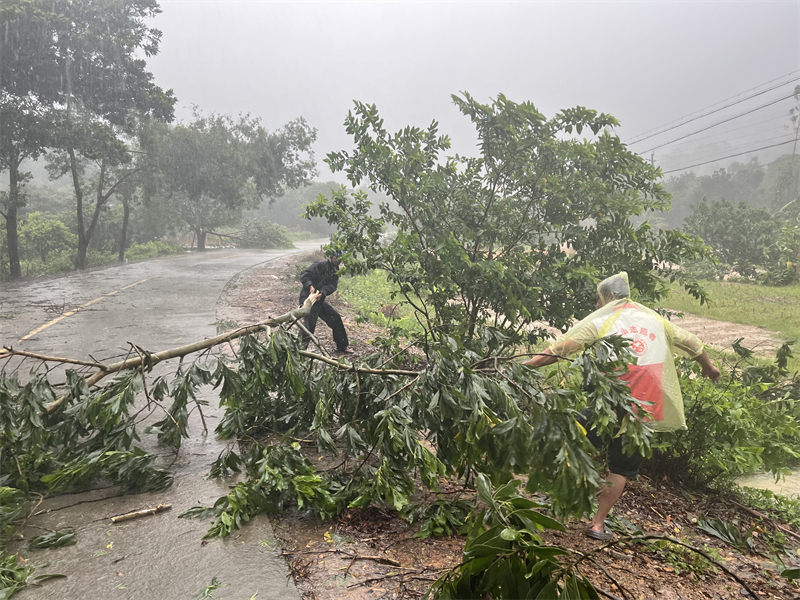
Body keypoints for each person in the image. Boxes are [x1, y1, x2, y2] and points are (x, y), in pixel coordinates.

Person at [523, 272, 720, 540]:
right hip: (646, 409)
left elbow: (562, 348)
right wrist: (709, 368)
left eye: (598, 299)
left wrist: (527, 365)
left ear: (609, 296)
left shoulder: (602, 321)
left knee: (572, 444)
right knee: (620, 469)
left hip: (610, 404)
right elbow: (692, 344)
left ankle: (555, 499)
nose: (596, 306)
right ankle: (597, 525)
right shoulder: (656, 320)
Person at [298, 250, 352, 354]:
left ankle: (342, 346)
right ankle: (299, 350)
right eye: (337, 258)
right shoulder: (319, 265)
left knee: (335, 318)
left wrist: (322, 293)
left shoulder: (336, 271)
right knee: (310, 325)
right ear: (331, 256)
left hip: (319, 300)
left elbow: (332, 286)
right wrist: (310, 285)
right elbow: (305, 274)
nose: (339, 260)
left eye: (341, 259)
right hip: (307, 299)